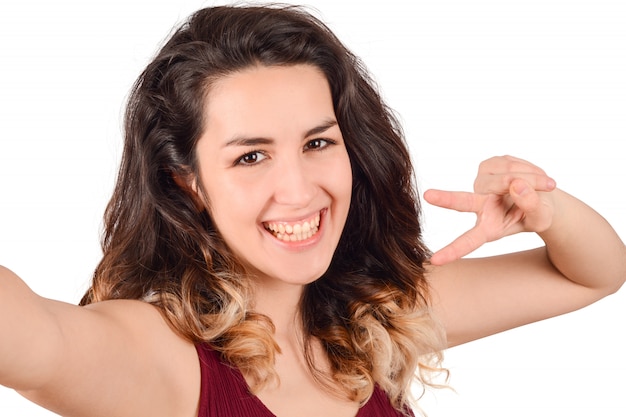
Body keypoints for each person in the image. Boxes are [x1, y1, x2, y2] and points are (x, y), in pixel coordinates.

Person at [0, 3, 624, 417]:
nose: (298, 191)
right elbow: (33, 342)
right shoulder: (163, 355)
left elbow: (594, 273)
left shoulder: (375, 317)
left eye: (318, 143)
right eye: (250, 157)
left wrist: (541, 207)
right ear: (187, 183)